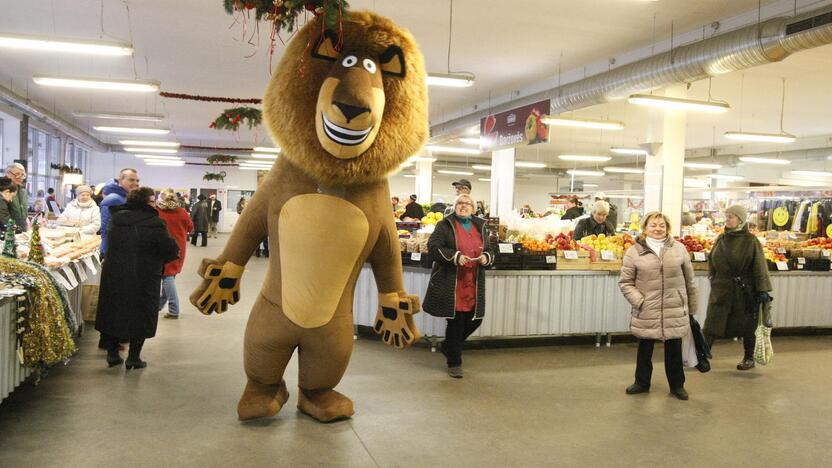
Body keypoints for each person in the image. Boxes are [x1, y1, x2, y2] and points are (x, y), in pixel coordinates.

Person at [95, 187, 179, 369]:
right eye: (151, 200)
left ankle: (112, 354)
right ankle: (134, 358)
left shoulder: (116, 219)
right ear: (144, 203)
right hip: (144, 276)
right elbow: (171, 250)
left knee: (113, 312)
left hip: (114, 274)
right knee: (140, 314)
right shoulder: (155, 222)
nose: (154, 203)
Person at [619, 212, 697, 400]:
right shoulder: (634, 251)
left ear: (667, 228)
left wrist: (691, 308)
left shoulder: (679, 249)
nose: (657, 228)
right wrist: (640, 301)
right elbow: (625, 282)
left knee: (674, 349)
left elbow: (690, 280)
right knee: (645, 347)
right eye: (653, 225)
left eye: (661, 225)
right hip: (647, 308)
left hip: (674, 307)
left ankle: (677, 385)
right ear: (645, 228)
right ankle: (641, 382)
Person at [423, 194, 495, 378]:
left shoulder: (480, 225)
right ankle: (454, 362)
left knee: (475, 319)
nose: (464, 206)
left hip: (474, 280)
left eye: (468, 203)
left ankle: (448, 346)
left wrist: (486, 257)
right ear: (454, 206)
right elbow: (433, 247)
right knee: (456, 321)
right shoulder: (445, 225)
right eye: (460, 203)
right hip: (452, 280)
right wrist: (455, 256)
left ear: (473, 207)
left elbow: (489, 249)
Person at [703, 205, 772, 371]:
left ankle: (749, 357)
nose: (727, 220)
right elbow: (712, 259)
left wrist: (762, 289)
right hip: (721, 288)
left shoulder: (751, 241)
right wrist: (713, 277)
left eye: (731, 217)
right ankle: (702, 355)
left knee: (748, 325)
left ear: (740, 220)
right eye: (727, 216)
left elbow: (759, 266)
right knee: (712, 322)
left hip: (744, 290)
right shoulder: (721, 238)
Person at [156, 189, 194, 319]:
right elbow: (190, 228)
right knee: (170, 275)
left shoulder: (157, 211)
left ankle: (173, 309)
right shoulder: (182, 212)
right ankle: (159, 305)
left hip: (163, 247)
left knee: (167, 276)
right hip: (179, 247)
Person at [100, 168, 140, 255]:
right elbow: (106, 230)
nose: (136, 183)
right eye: (131, 180)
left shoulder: (126, 198)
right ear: (120, 180)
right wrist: (106, 254)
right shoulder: (113, 199)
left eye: (137, 181)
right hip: (115, 252)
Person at [4, 163, 28, 230]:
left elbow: (24, 213)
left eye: (22, 175)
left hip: (22, 231)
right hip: (7, 232)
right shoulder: (3, 190)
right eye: (17, 174)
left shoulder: (23, 191)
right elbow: (3, 215)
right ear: (7, 174)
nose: (20, 177)